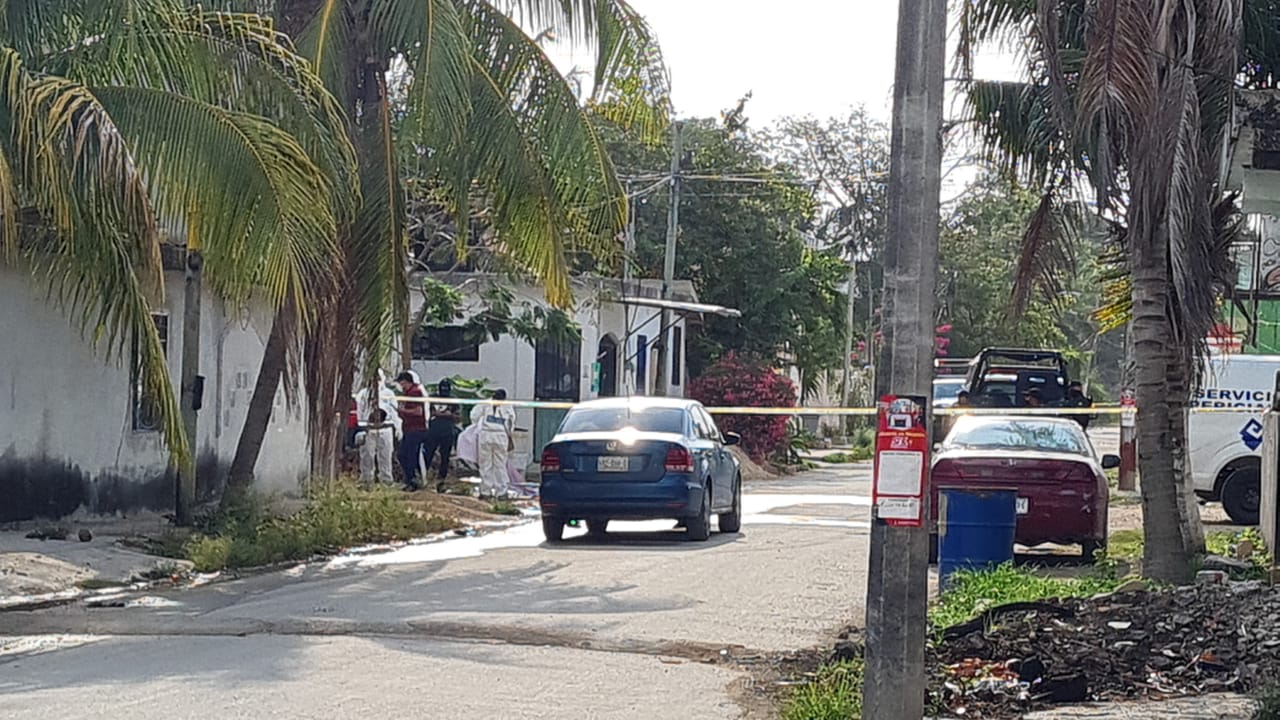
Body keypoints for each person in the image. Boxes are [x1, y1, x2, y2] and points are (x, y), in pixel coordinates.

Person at [471, 389, 516, 499]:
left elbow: (474, 416)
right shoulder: (507, 406)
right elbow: (511, 423)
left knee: (486, 464)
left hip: (487, 434)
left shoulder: (484, 404)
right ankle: (501, 492)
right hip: (499, 436)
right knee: (499, 464)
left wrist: (477, 426)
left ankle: (486, 491)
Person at [423, 379, 461, 492]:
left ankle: (441, 482)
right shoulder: (432, 398)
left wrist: (450, 415)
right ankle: (422, 479)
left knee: (445, 458)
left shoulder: (453, 400)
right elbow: (426, 412)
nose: (443, 391)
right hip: (432, 431)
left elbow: (458, 417)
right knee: (427, 456)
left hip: (447, 432)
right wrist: (440, 414)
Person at [393, 371, 429, 490]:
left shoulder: (414, 393)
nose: (401, 386)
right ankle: (409, 479)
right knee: (403, 454)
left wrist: (402, 411)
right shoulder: (408, 393)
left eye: (403, 383)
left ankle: (412, 480)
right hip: (409, 428)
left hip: (416, 429)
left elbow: (418, 411)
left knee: (409, 455)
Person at [357, 408, 395, 485]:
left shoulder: (388, 395)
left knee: (386, 456)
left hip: (386, 427)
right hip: (368, 428)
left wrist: (397, 425)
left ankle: (386, 481)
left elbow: (393, 409)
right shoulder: (363, 396)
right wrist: (361, 428)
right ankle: (366, 480)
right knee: (367, 457)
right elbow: (361, 410)